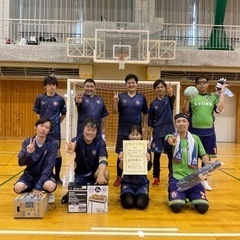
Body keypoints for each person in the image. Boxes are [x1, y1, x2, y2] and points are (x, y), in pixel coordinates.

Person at [182, 75, 225, 191]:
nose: (202, 84)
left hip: (209, 133)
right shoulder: (192, 97)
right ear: (196, 85)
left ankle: (204, 181)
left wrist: (222, 93)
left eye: (204, 82)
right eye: (199, 82)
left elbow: (220, 109)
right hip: (194, 132)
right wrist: (186, 99)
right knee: (193, 158)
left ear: (207, 84)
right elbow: (185, 112)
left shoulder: (213, 96)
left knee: (206, 160)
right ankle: (192, 181)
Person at [165, 113, 211, 214]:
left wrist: (207, 163)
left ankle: (188, 195)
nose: (181, 124)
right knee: (176, 207)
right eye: (178, 122)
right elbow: (168, 140)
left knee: (203, 208)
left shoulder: (195, 139)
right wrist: (171, 141)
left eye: (184, 121)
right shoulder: (171, 137)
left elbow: (203, 154)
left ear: (188, 124)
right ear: (175, 124)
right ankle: (181, 195)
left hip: (194, 179)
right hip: (177, 180)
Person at [61, 118, 109, 204]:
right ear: (83, 129)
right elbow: (74, 143)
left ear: (96, 131)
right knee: (78, 196)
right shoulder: (78, 139)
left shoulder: (100, 142)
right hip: (81, 174)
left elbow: (103, 160)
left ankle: (100, 196)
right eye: (88, 129)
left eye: (93, 130)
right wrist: (72, 148)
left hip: (94, 173)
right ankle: (70, 193)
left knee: (105, 173)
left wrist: (100, 174)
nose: (90, 133)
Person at [112, 73, 149, 187]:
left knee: (137, 153)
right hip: (123, 130)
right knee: (121, 154)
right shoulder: (121, 97)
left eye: (133, 82)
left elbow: (145, 113)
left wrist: (144, 126)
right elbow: (114, 111)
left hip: (136, 131)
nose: (131, 84)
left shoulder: (141, 97)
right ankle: (119, 177)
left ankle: (137, 176)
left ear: (137, 84)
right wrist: (115, 102)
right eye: (129, 83)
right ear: (126, 84)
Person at [13, 118, 58, 204]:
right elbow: (21, 163)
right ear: (36, 127)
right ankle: (32, 189)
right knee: (18, 188)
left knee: (50, 186)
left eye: (47, 127)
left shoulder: (53, 144)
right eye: (41, 126)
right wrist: (28, 153)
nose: (43, 129)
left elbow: (50, 166)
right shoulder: (27, 142)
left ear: (49, 131)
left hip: (45, 175)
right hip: (29, 175)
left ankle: (47, 192)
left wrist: (38, 185)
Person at [33, 76, 67, 188]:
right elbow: (37, 112)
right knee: (44, 152)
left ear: (56, 86)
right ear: (45, 86)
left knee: (57, 152)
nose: (52, 87)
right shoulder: (40, 98)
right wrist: (42, 125)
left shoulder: (60, 99)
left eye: (54, 84)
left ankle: (57, 176)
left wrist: (55, 123)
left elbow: (64, 114)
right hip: (43, 131)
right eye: (49, 84)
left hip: (55, 131)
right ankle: (47, 175)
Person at [148, 79, 176, 186]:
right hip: (157, 131)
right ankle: (156, 177)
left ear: (165, 88)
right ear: (155, 90)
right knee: (157, 156)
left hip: (169, 130)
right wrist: (149, 134)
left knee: (170, 155)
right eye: (157, 87)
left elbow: (172, 96)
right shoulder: (153, 104)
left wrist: (171, 93)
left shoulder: (169, 100)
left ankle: (172, 176)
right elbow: (150, 121)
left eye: (161, 87)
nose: (160, 89)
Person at [118, 125, 152, 210]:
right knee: (128, 203)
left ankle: (141, 194)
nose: (135, 137)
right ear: (129, 136)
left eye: (137, 135)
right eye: (132, 134)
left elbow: (148, 168)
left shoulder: (145, 149)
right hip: (127, 183)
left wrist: (147, 161)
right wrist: (121, 160)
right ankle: (128, 193)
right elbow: (120, 168)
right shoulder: (124, 148)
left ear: (141, 136)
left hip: (141, 183)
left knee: (141, 204)